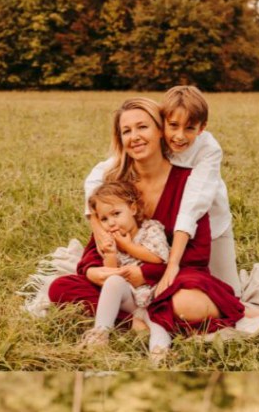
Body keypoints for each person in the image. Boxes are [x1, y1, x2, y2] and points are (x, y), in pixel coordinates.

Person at [50, 97, 243, 361]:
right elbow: (99, 242)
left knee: (190, 304)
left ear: (160, 130)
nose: (135, 137)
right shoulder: (118, 185)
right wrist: (94, 270)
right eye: (126, 131)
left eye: (142, 127)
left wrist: (146, 274)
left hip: (174, 276)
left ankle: (139, 316)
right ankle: (142, 319)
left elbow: (196, 258)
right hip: (126, 283)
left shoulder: (190, 182)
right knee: (61, 287)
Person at [85, 84, 240, 295]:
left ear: (201, 128)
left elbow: (192, 206)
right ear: (163, 124)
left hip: (208, 223)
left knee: (230, 292)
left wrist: (172, 265)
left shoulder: (207, 149)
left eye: (189, 128)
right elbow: (95, 178)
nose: (179, 136)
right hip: (158, 237)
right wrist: (97, 226)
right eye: (173, 125)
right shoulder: (152, 144)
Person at [80, 179, 172, 351]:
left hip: (156, 297)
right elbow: (112, 273)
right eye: (104, 219)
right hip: (131, 298)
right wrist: (111, 254)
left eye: (116, 214)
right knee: (113, 281)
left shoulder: (151, 229)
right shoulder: (112, 240)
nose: (112, 222)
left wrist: (128, 247)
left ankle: (159, 355)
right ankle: (100, 333)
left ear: (133, 209)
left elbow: (159, 258)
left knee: (159, 326)